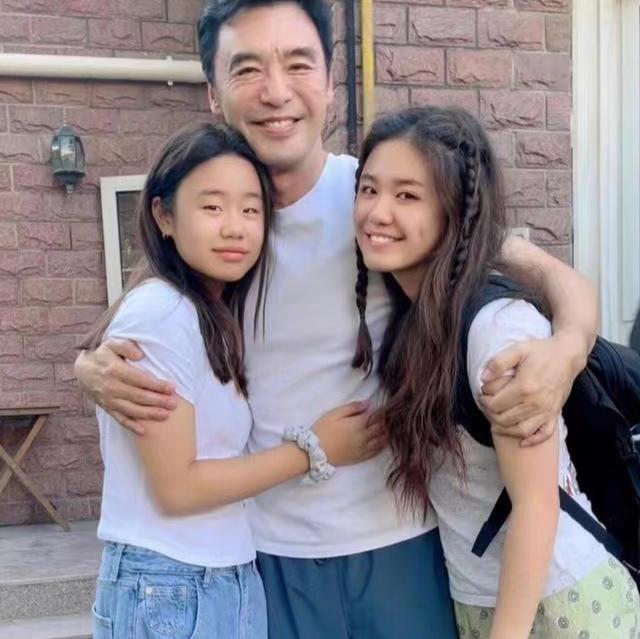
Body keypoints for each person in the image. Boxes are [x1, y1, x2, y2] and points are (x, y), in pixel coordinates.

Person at [75, 2, 601, 637]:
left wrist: (567, 348)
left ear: (330, 82)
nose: (276, 91)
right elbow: (140, 318)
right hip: (271, 555)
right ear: (213, 94)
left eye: (298, 64)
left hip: (400, 543)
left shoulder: (376, 200)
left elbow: (543, 272)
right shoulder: (213, 231)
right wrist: (88, 367)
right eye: (247, 69)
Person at [84, 122, 384, 639]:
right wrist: (316, 449)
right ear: (163, 215)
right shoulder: (159, 313)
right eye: (212, 207)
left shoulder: (210, 312)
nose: (234, 228)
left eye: (250, 210)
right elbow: (177, 488)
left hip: (219, 575)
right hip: (169, 583)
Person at [352, 105, 640, 639]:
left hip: (559, 605)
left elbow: (536, 505)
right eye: (368, 190)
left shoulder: (496, 329)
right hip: (486, 599)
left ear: (455, 212)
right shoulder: (418, 313)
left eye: (407, 196)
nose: (377, 212)